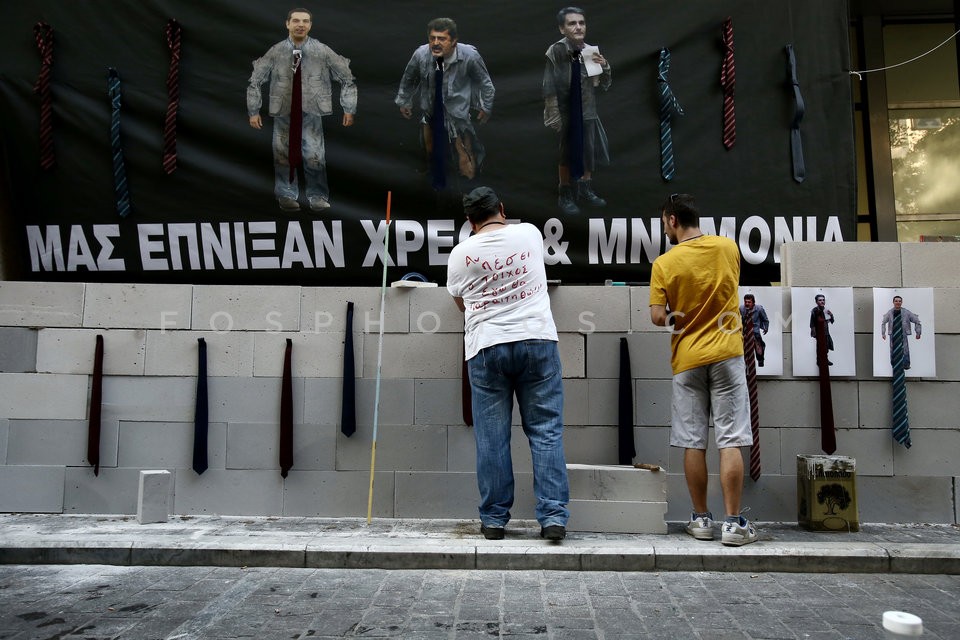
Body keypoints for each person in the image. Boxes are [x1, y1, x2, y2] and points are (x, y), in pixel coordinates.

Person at [446, 186, 569, 542]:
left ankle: (495, 520)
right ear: (502, 208)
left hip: (486, 347)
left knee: (492, 438)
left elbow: (461, 304)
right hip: (537, 340)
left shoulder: (460, 254)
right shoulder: (528, 233)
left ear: (469, 221)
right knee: (546, 431)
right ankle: (553, 518)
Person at [649, 193, 757, 547]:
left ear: (672, 220)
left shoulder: (664, 263)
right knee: (731, 439)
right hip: (727, 354)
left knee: (693, 441)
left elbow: (657, 317)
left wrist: (677, 314)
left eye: (665, 222)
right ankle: (733, 524)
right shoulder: (728, 248)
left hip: (687, 361)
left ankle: (700, 520)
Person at [247, 8, 357, 212]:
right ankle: (286, 195)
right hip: (283, 113)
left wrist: (348, 108)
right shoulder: (276, 51)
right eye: (296, 20)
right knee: (282, 154)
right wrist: (253, 110)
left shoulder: (322, 51)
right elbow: (255, 80)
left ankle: (317, 196)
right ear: (287, 24)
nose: (300, 25)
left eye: (305, 21)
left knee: (315, 154)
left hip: (312, 111)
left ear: (310, 25)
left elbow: (347, 77)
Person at [395, 18, 495, 191]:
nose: (435, 43)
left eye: (441, 39)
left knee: (467, 163)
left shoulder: (469, 56)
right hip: (431, 115)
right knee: (431, 156)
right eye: (432, 38)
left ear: (454, 41)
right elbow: (409, 79)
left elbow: (486, 84)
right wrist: (404, 100)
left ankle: (469, 195)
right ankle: (437, 195)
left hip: (459, 117)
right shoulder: (421, 54)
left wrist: (486, 106)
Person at [543, 7, 611, 215]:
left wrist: (605, 66)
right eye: (572, 23)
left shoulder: (591, 51)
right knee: (566, 151)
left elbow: (603, 84)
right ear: (562, 28)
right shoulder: (555, 51)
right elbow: (549, 85)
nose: (578, 27)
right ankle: (565, 192)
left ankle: (585, 189)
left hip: (587, 109)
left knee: (588, 150)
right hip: (565, 111)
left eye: (581, 22)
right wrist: (553, 114)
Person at [881, 295, 921, 370]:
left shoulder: (906, 312)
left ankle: (906, 364)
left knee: (905, 349)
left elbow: (917, 320)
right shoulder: (890, 312)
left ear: (902, 302)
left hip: (903, 333)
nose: (898, 302)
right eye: (896, 301)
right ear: (893, 302)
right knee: (893, 348)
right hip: (893, 334)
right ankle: (894, 364)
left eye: (899, 301)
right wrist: (883, 333)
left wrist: (918, 332)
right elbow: (883, 322)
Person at [740, 294, 770, 367]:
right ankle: (745, 364)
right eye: (745, 302)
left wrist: (766, 328)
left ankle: (760, 360)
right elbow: (738, 319)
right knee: (743, 349)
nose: (747, 304)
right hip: (744, 332)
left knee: (760, 346)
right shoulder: (741, 308)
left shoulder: (759, 308)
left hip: (755, 331)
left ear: (753, 303)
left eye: (749, 302)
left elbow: (765, 319)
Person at [809, 294, 835, 366]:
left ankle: (825, 360)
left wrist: (831, 315)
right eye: (820, 300)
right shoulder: (814, 311)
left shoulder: (826, 310)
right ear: (816, 302)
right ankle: (819, 361)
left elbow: (831, 321)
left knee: (826, 347)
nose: (822, 301)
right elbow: (812, 322)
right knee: (820, 347)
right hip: (819, 332)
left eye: (823, 300)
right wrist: (814, 333)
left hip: (826, 332)